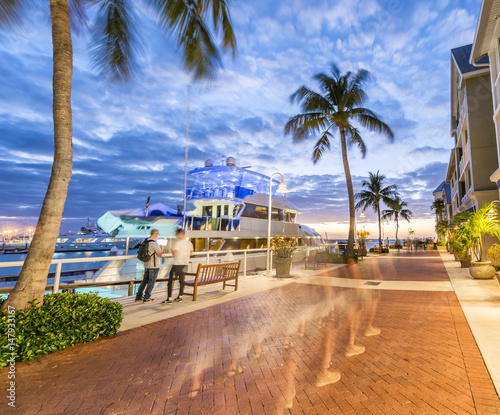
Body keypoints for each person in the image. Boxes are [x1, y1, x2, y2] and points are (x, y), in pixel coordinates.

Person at [162, 229, 194, 304]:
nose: (176, 235)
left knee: (170, 281)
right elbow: (191, 254)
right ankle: (180, 297)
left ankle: (169, 298)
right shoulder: (189, 243)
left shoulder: (178, 243)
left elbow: (175, 254)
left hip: (177, 264)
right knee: (181, 281)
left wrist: (172, 251)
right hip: (185, 264)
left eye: (176, 234)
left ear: (180, 234)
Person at [135, 229, 163, 303]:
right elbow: (159, 254)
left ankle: (138, 296)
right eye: (158, 234)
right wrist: (161, 248)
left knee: (144, 281)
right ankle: (147, 297)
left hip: (146, 264)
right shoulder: (154, 243)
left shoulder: (146, 241)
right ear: (156, 234)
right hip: (154, 265)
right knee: (151, 282)